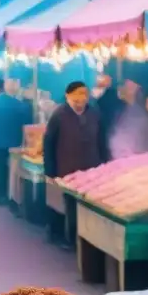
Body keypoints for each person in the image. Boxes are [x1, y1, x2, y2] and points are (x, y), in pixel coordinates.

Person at [43, 81, 107, 244]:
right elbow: (49, 143)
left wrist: (105, 163)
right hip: (67, 169)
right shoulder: (59, 114)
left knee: (88, 205)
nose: (82, 97)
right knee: (69, 205)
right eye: (78, 93)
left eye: (85, 93)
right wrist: (50, 170)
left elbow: (102, 140)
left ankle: (86, 239)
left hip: (91, 169)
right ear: (68, 95)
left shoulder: (94, 113)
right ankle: (70, 239)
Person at [0, 79, 30, 206]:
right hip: (15, 142)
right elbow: (27, 123)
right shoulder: (19, 105)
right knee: (13, 169)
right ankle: (11, 195)